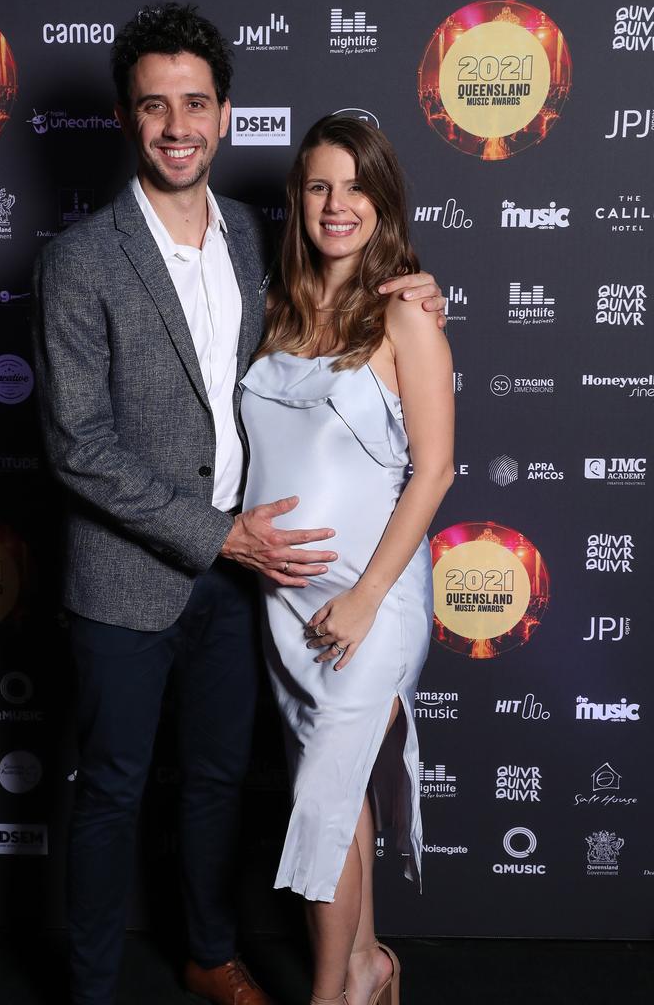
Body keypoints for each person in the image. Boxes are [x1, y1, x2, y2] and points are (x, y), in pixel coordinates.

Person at [32, 4, 447, 1005]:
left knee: (220, 783)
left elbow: (353, 309)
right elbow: (76, 447)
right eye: (155, 107)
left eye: (196, 104)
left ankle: (212, 953)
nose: (178, 126)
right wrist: (224, 533)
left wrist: (418, 291)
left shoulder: (262, 238)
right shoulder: (79, 260)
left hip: (247, 587)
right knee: (114, 794)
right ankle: (92, 989)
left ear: (223, 116)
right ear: (129, 119)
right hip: (137, 575)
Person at [240, 115, 455, 1005]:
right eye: (320, 186)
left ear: (383, 202)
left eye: (356, 188)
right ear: (298, 199)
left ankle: (329, 996)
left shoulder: (406, 314)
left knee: (324, 800)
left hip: (374, 602)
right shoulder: (277, 308)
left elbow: (435, 469)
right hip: (285, 604)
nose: (338, 205)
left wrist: (366, 598)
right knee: (337, 781)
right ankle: (367, 963)